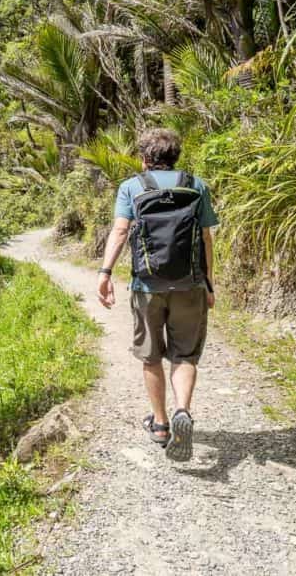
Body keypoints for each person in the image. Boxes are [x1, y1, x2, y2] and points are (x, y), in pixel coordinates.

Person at [96, 128, 219, 462]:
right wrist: (209, 281)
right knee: (185, 354)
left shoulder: (132, 187)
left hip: (147, 286)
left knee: (151, 356)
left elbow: (120, 230)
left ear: (144, 158)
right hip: (190, 283)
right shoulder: (196, 185)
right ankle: (182, 410)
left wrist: (105, 272)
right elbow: (206, 238)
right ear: (175, 157)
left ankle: (162, 424)